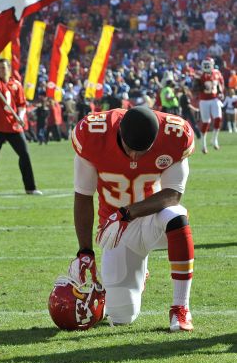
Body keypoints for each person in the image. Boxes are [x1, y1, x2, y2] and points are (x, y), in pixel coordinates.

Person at [70, 106, 196, 331]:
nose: (136, 157)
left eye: (143, 151)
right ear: (119, 134)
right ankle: (138, 273)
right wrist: (85, 251)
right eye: (131, 149)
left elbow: (173, 194)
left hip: (153, 218)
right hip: (117, 232)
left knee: (176, 215)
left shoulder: (175, 134)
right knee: (121, 317)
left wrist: (127, 212)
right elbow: (83, 195)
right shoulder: (93, 133)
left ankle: (180, 307)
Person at [0, 59, 42, 195]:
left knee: (24, 155)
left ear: (9, 68)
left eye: (3, 67)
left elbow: (21, 104)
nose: (1, 70)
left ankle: (30, 188)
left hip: (14, 127)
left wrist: (20, 116)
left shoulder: (16, 84)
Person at [194, 58, 225, 153]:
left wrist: (220, 92)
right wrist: (200, 85)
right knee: (206, 122)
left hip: (214, 98)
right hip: (204, 100)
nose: (207, 67)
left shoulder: (217, 72)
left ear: (212, 64)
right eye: (205, 65)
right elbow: (195, 88)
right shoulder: (199, 74)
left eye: (208, 64)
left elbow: (220, 84)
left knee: (218, 118)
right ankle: (203, 144)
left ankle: (214, 139)